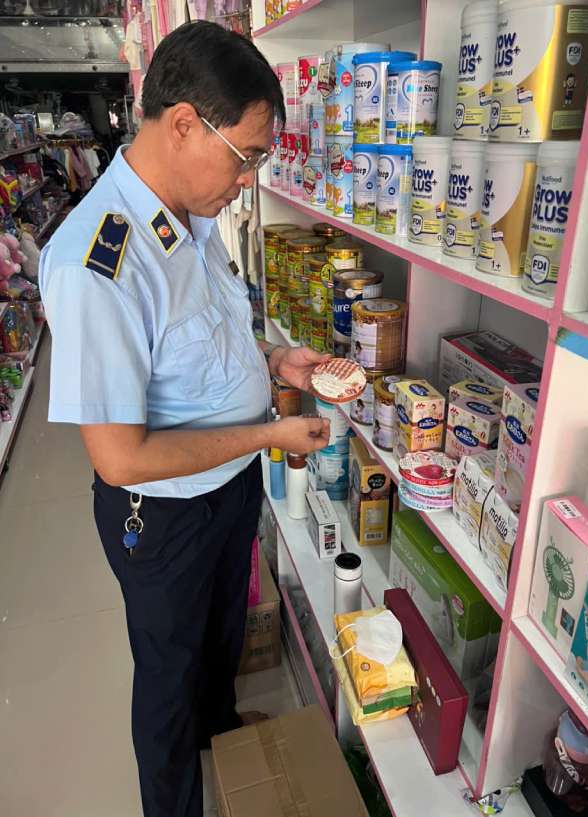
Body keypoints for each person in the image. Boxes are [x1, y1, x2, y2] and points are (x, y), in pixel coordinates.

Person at [39, 22, 331, 817]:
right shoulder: (99, 260)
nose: (248, 180)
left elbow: (206, 339)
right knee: (167, 677)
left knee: (218, 645)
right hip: (163, 515)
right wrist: (271, 432)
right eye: (247, 156)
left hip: (226, 492)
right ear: (182, 125)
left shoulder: (192, 218)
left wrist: (273, 364)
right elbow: (120, 460)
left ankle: (222, 736)